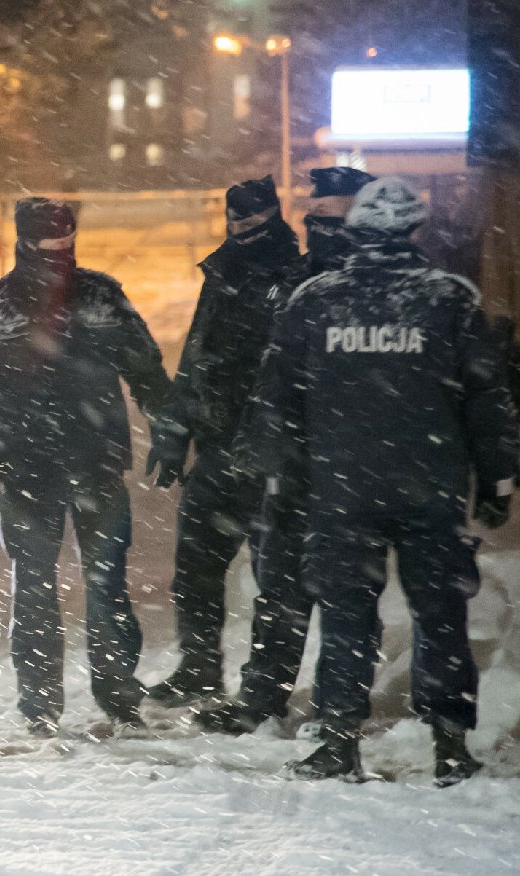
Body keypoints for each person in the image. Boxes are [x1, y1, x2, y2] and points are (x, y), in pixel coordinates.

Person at [256, 178, 518, 785]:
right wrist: (499, 478)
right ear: (411, 232)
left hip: (343, 488)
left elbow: (276, 401)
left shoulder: (315, 301)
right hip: (431, 486)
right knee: (441, 615)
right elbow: (487, 397)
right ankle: (450, 747)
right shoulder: (448, 301)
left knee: (346, 614)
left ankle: (339, 743)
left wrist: (284, 477)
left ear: (356, 233)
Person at [0, 198, 170, 736]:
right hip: (25, 471)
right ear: (23, 243)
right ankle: (41, 705)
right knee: (36, 586)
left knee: (106, 585)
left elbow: (147, 369)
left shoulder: (100, 297)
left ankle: (117, 698)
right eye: (48, 248)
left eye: (67, 247)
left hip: (96, 467)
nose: (59, 258)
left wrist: (170, 429)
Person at [195, 166, 376, 734]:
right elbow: (256, 372)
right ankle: (262, 698)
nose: (323, 227)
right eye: (315, 216)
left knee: (349, 593)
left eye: (337, 217)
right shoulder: (290, 283)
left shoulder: (381, 291)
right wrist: (251, 440)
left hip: (354, 462)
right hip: (293, 461)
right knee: (279, 586)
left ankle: (337, 708)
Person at [145, 176, 308, 707]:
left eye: (253, 221)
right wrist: (174, 433)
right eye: (235, 221)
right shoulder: (223, 274)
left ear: (273, 217)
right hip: (218, 449)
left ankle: (265, 693)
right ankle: (199, 670)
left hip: (272, 456)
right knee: (194, 570)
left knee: (275, 584)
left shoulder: (296, 276)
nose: (242, 230)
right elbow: (197, 359)